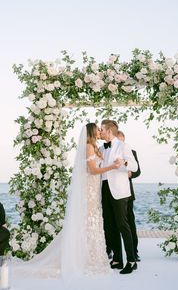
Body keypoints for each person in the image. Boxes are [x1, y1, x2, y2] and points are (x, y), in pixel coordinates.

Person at [13, 123, 122, 280]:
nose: (100, 131)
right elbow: (92, 170)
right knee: (87, 222)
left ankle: (90, 256)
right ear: (92, 131)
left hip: (94, 190)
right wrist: (112, 167)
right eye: (98, 129)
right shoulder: (88, 147)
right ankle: (84, 258)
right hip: (89, 191)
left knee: (92, 221)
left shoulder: (95, 147)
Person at [100, 120, 138, 274]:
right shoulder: (101, 148)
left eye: (102, 129)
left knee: (123, 225)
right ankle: (117, 259)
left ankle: (131, 260)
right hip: (104, 189)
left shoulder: (123, 146)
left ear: (109, 131)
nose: (100, 132)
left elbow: (134, 166)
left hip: (120, 191)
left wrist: (125, 162)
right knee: (109, 225)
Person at [117, 130, 141, 262]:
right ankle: (112, 251)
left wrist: (129, 173)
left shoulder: (131, 152)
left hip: (128, 193)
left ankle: (134, 252)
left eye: (122, 142)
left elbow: (138, 172)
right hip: (113, 192)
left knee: (130, 222)